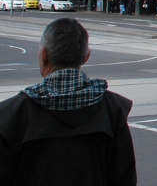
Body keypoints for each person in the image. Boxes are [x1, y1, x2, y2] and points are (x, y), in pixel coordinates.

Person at [0, 18, 137, 184]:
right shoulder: (113, 110)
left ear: (44, 55)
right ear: (86, 57)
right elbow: (125, 178)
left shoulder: (11, 113)